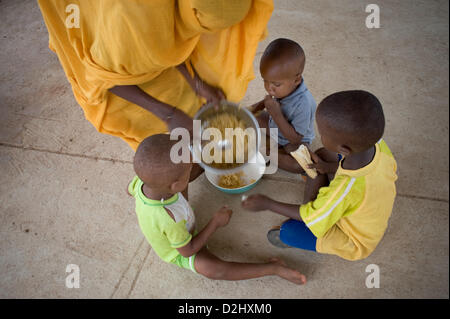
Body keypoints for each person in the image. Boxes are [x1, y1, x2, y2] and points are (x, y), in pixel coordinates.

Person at [37, 0, 274, 151]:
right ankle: (155, 169)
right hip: (117, 75)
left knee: (184, 104)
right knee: (151, 139)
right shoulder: (123, 22)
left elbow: (172, 33)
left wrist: (196, 82)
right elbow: (100, 77)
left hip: (143, 44)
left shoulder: (160, 17)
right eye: (201, 23)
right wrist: (167, 114)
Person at [127, 134, 306, 284]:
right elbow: (188, 250)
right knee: (214, 270)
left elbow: (129, 190)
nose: (192, 166)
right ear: (174, 186)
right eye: (189, 168)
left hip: (176, 212)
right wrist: (215, 223)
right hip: (180, 250)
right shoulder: (169, 218)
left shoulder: (143, 183)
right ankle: (273, 268)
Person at [243, 90, 398, 261]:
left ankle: (311, 209)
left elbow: (314, 215)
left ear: (344, 149)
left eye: (323, 134)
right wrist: (327, 167)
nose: (320, 135)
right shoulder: (378, 146)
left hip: (354, 239)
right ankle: (316, 199)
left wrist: (268, 203)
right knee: (322, 155)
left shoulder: (345, 188)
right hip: (365, 198)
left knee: (288, 231)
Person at [250, 38, 317, 174]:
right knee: (251, 117)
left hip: (292, 140)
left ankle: (268, 153)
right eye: (265, 81)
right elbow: (268, 101)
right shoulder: (283, 88)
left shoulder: (303, 103)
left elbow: (295, 138)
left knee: (299, 165)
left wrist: (276, 114)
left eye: (276, 84)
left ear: (296, 80)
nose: (269, 88)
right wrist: (256, 108)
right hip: (275, 125)